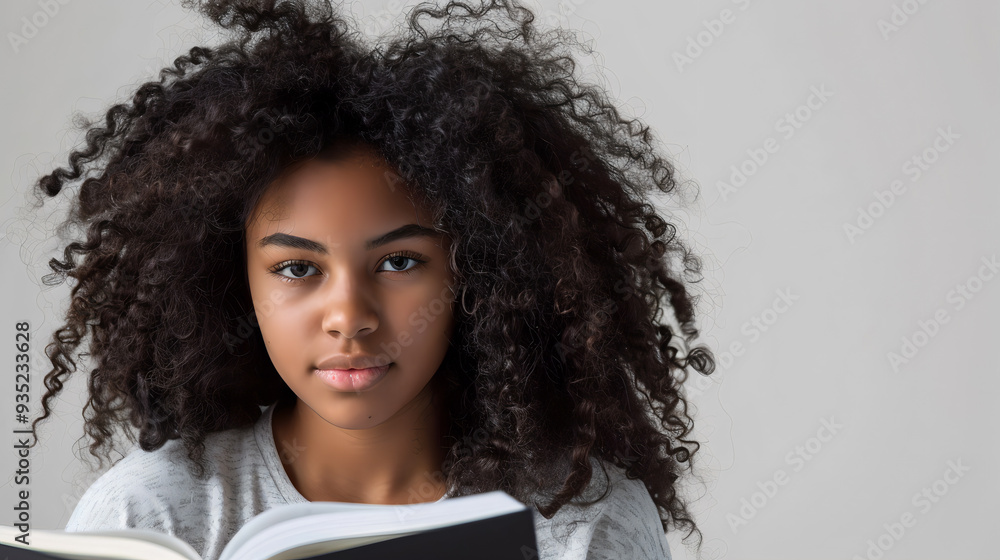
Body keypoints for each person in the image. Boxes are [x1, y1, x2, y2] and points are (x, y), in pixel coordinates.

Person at [27, 1, 716, 559]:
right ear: (232, 286)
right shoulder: (148, 516)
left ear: (477, 273)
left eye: (398, 263)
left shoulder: (578, 524)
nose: (349, 316)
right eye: (297, 269)